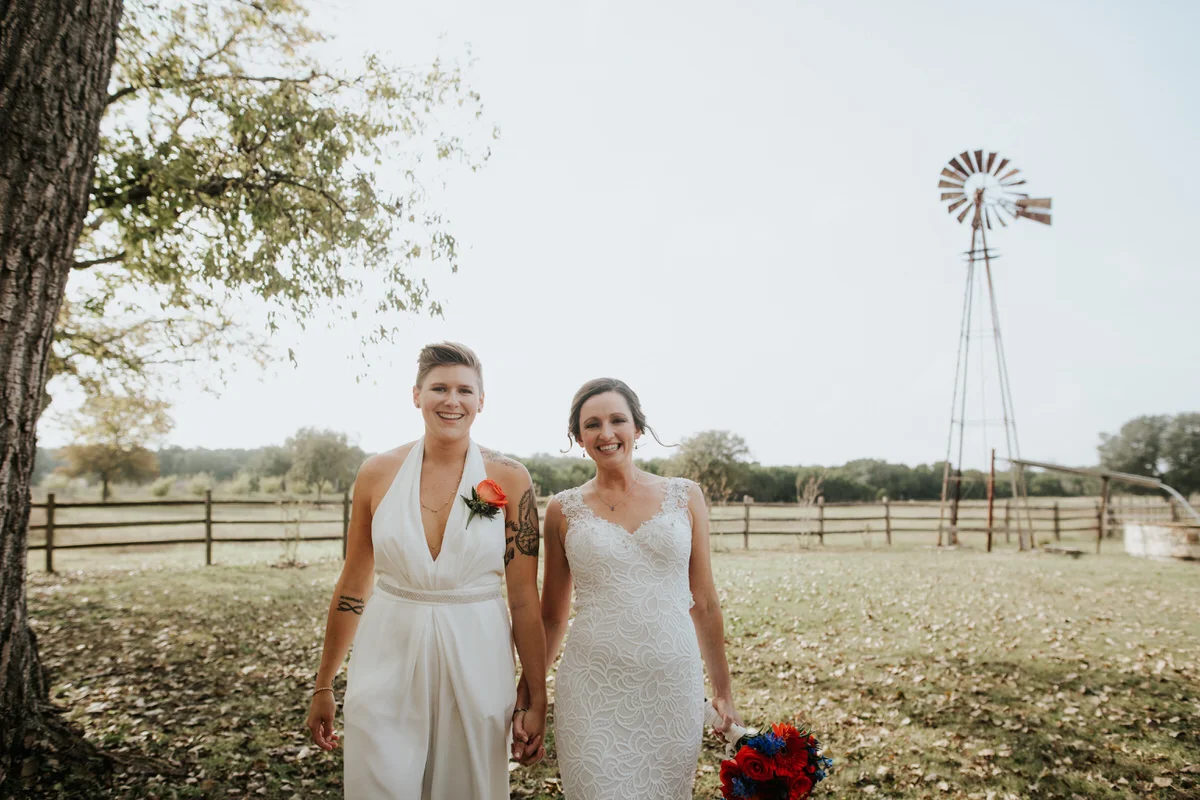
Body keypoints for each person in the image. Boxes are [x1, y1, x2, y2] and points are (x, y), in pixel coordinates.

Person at [306, 342, 546, 799]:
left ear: (481, 401)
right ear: (416, 395)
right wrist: (323, 685)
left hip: (478, 651)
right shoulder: (376, 473)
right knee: (381, 781)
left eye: (464, 390)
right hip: (388, 651)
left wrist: (536, 696)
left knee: (467, 786)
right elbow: (354, 581)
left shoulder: (509, 477)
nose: (451, 401)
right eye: (439, 388)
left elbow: (522, 598)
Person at [516, 377, 741, 799]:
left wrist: (723, 693)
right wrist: (529, 697)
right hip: (592, 689)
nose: (606, 433)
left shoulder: (685, 496)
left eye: (617, 420)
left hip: (671, 686)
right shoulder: (562, 509)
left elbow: (705, 603)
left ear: (638, 428)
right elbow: (551, 615)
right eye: (592, 424)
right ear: (578, 438)